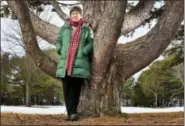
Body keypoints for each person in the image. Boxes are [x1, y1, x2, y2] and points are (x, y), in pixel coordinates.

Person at [55, 6, 93, 121]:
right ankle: (70, 113)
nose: (75, 15)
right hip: (65, 63)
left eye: (77, 13)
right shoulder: (64, 28)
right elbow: (58, 40)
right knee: (67, 89)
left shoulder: (86, 28)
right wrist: (59, 49)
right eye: (73, 13)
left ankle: (73, 113)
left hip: (80, 63)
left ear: (80, 15)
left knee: (76, 89)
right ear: (70, 15)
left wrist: (85, 50)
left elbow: (90, 42)